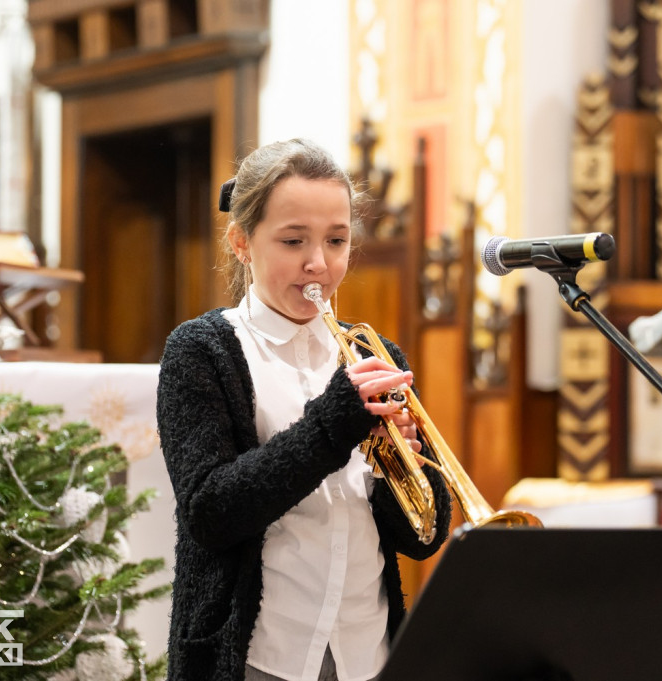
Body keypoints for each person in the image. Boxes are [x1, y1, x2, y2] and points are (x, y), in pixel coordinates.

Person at [156, 138, 452, 681]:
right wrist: (333, 423)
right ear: (241, 242)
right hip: (258, 655)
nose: (318, 264)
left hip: (369, 650)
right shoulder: (200, 351)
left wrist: (401, 467)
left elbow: (423, 537)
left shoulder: (372, 356)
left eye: (336, 241)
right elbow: (210, 512)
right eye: (293, 241)